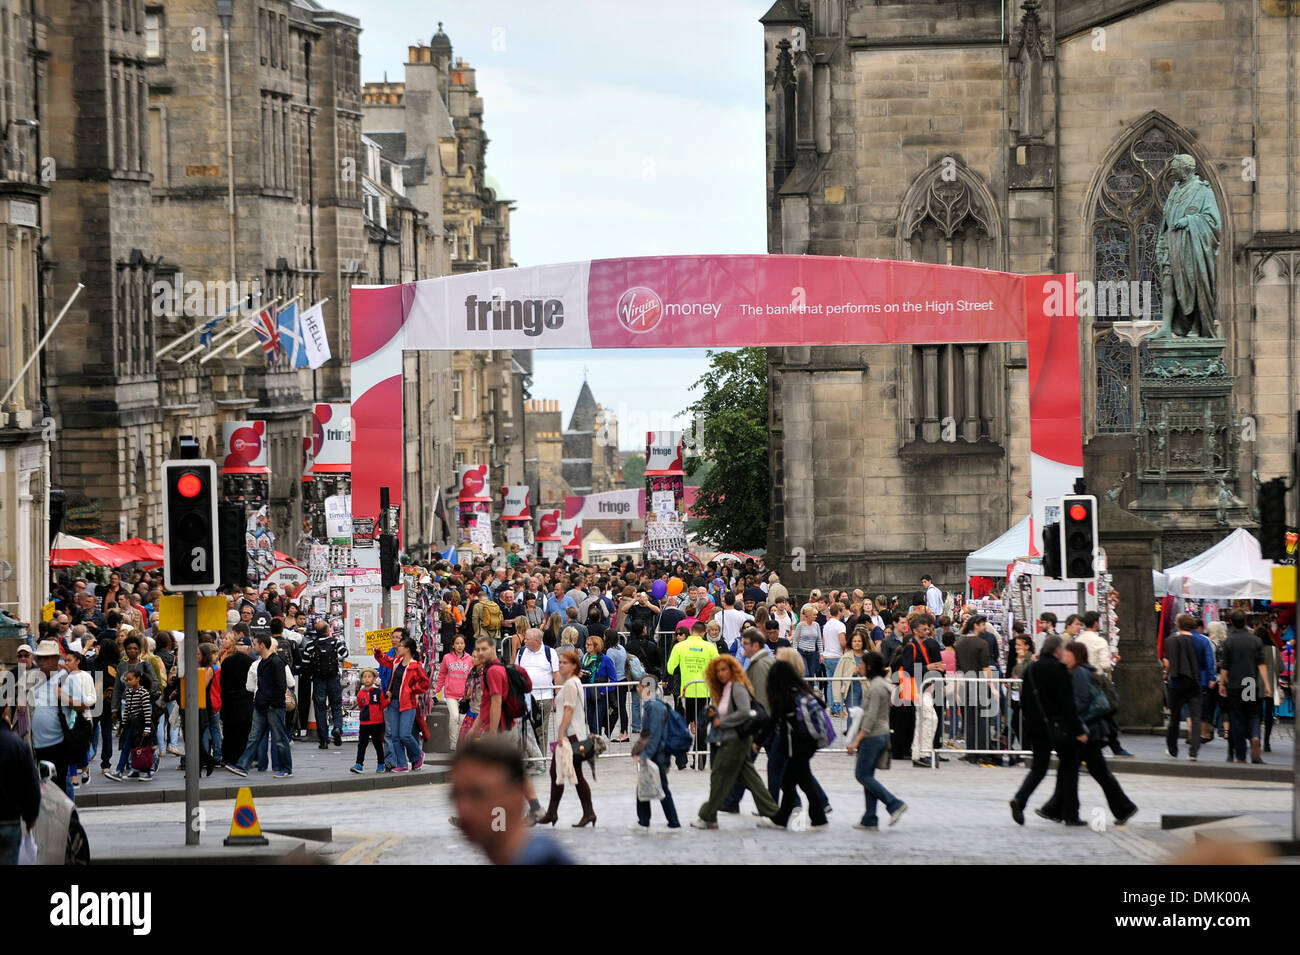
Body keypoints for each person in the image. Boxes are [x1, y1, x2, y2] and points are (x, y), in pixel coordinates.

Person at [1051, 641, 1137, 825]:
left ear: (1077, 656)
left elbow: (1082, 702)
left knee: (1076, 771)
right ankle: (1059, 810)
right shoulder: (1075, 672)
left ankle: (1064, 812)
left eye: (1068, 654)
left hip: (1087, 732)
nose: (1064, 657)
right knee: (1087, 771)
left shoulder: (1080, 673)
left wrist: (1073, 721)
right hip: (1088, 731)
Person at [452, 738, 576, 865]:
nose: (464, 811)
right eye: (455, 796)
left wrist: (492, 739)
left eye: (478, 794)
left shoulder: (540, 859)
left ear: (517, 796)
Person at [690, 655, 780, 829]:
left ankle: (708, 816)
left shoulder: (737, 686)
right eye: (717, 671)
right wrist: (714, 714)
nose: (721, 673)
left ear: (732, 670)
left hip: (735, 740)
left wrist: (721, 722)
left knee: (719, 778)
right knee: (751, 779)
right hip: (732, 739)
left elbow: (744, 712)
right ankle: (773, 813)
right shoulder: (725, 689)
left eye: (724, 669)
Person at [1009, 634, 1086, 826]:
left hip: (1036, 726)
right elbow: (1067, 702)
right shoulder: (1059, 669)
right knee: (1069, 768)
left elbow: (1025, 700)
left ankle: (1020, 798)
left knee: (1039, 768)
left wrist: (1030, 721)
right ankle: (1070, 814)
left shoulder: (1032, 669)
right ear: (1057, 650)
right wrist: (1078, 729)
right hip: (1059, 727)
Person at [760, 659, 832, 830]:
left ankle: (819, 818)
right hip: (807, 744)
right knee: (790, 781)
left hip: (798, 745)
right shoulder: (801, 691)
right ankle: (782, 818)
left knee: (801, 780)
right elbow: (822, 705)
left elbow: (773, 720)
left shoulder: (786, 696)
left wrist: (758, 741)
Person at [844, 651, 908, 829]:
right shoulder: (881, 684)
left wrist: (857, 739)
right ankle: (870, 817)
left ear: (869, 666)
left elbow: (870, 717)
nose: (860, 667)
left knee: (862, 775)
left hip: (873, 735)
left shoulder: (876, 687)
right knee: (868, 776)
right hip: (880, 733)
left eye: (862, 664)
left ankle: (893, 803)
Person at [536, 649, 597, 827]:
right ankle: (580, 813)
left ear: (573, 665)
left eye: (564, 662)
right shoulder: (572, 682)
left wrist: (561, 733)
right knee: (566, 774)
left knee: (559, 772)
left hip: (571, 735)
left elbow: (569, 709)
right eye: (560, 662)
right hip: (573, 734)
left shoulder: (571, 684)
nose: (561, 665)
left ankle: (555, 813)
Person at [224, 633, 293, 779]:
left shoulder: (276, 662)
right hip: (261, 705)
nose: (253, 647)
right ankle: (243, 765)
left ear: (262, 645)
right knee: (254, 737)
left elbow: (281, 686)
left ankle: (286, 768)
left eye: (255, 644)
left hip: (272, 707)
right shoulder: (262, 662)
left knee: (280, 738)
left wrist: (273, 704)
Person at [631, 674, 682, 832]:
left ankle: (671, 822)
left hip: (656, 754)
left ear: (646, 687)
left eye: (640, 686)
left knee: (660, 788)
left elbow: (654, 733)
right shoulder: (653, 704)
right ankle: (644, 821)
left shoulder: (653, 706)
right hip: (657, 752)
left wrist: (646, 755)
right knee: (645, 786)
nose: (638, 690)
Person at [666, 621, 718, 768]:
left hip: (684, 692)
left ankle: (681, 760)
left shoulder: (679, 646)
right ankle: (700, 761)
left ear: (691, 631)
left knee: (681, 726)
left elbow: (670, 669)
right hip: (704, 692)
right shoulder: (709, 647)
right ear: (704, 633)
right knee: (701, 727)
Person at [1219, 610, 1268, 764]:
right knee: (1253, 715)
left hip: (1234, 683)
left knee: (1237, 718)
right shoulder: (1255, 640)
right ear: (1246, 621)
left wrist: (1222, 683)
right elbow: (1261, 665)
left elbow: (1225, 666)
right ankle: (1255, 736)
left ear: (1232, 622)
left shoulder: (1229, 641)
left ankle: (1241, 755)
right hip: (1249, 682)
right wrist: (1267, 685)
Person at [382, 634, 431, 773]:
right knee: (395, 736)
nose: (398, 646)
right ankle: (402, 763)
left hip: (408, 703)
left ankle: (417, 755)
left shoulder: (415, 665)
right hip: (393, 702)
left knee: (404, 734)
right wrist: (378, 653)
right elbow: (385, 661)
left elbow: (425, 683)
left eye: (402, 645)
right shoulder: (397, 661)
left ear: (408, 649)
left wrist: (412, 690)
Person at [0, 704, 41, 864]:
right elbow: (31, 786)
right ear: (6, 710)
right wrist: (30, 817)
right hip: (9, 821)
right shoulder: (18, 746)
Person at [515, 628, 559, 770]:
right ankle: (527, 759)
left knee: (541, 730)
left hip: (544, 697)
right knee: (524, 730)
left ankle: (540, 760)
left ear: (537, 640)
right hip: (525, 698)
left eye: (527, 639)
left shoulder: (549, 652)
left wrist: (557, 696)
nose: (524, 640)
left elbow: (556, 675)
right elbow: (516, 672)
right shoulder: (521, 652)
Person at [1163, 614, 1205, 761]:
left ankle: (1172, 749)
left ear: (1179, 625)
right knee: (1195, 717)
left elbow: (1167, 663)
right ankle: (1193, 751)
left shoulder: (1170, 641)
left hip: (1176, 683)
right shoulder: (1201, 641)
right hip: (1194, 682)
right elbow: (1206, 663)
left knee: (1174, 717)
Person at [304, 620, 348, 749]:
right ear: (328, 631)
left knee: (320, 709)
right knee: (336, 705)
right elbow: (345, 654)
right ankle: (337, 728)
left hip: (318, 680)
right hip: (333, 678)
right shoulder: (335, 642)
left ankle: (323, 740)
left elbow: (305, 663)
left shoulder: (310, 645)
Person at [107, 668, 154, 781]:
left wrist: (147, 727)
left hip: (141, 723)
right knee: (127, 747)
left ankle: (146, 771)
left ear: (138, 679)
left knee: (142, 748)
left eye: (130, 679)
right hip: (130, 724)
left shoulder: (144, 693)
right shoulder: (128, 692)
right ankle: (121, 770)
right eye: (127, 680)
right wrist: (123, 725)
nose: (128, 682)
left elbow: (147, 711)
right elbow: (127, 710)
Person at [219, 636, 255, 772]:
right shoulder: (251, 662)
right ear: (248, 649)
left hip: (228, 702)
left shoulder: (227, 661)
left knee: (229, 732)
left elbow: (222, 683)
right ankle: (239, 759)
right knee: (243, 733)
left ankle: (227, 758)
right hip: (245, 702)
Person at [433, 633, 473, 750]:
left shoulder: (470, 659)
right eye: (457, 643)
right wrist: (437, 689)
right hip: (450, 694)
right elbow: (442, 675)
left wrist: (470, 693)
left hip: (465, 695)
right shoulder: (447, 658)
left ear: (465, 645)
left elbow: (472, 677)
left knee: (462, 719)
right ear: (453, 645)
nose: (459, 646)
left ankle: (461, 742)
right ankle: (453, 743)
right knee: (454, 717)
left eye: (462, 643)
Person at [351, 668, 386, 774]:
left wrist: (388, 699)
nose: (367, 679)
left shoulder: (378, 692)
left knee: (377, 744)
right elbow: (360, 705)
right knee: (362, 744)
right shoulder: (360, 693)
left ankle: (381, 764)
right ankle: (359, 764)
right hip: (364, 722)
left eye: (369, 676)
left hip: (376, 723)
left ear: (374, 678)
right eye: (364, 677)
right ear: (361, 679)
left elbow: (383, 704)